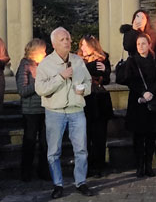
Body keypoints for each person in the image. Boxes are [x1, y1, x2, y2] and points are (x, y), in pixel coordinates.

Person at [35, 27, 93, 199]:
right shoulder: (46, 64)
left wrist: (85, 90)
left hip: (76, 110)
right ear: (54, 44)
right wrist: (61, 77)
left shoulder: (78, 61)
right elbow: (40, 89)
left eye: (68, 38)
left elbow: (88, 81)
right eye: (63, 39)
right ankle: (58, 184)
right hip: (55, 112)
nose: (67, 42)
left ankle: (81, 182)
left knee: (81, 149)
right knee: (53, 151)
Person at [122, 33, 156, 178]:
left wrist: (151, 92)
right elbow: (129, 79)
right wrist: (142, 93)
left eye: (143, 43)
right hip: (137, 102)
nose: (141, 46)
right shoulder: (132, 61)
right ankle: (139, 166)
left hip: (152, 101)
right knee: (138, 136)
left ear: (149, 44)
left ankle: (149, 164)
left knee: (151, 135)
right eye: (138, 44)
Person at [78, 35, 113, 178]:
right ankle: (85, 166)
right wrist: (88, 68)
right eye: (81, 45)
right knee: (85, 135)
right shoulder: (77, 60)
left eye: (85, 45)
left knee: (99, 136)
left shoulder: (103, 59)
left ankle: (98, 165)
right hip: (85, 100)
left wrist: (105, 71)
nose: (82, 48)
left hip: (99, 100)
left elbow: (107, 79)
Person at [15, 38, 49, 182]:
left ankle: (44, 171)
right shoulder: (25, 66)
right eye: (43, 51)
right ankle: (26, 172)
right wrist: (38, 83)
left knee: (45, 142)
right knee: (29, 142)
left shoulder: (44, 65)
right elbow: (22, 90)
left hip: (45, 108)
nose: (45, 53)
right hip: (30, 111)